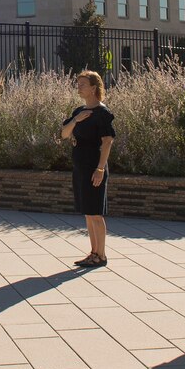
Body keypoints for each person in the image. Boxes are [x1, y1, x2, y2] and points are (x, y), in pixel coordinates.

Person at [61, 70, 115, 268]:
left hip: (94, 167)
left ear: (94, 87)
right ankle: (93, 253)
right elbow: (65, 134)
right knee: (88, 212)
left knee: (95, 213)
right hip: (80, 167)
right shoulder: (79, 112)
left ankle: (101, 255)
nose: (79, 87)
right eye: (78, 84)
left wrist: (100, 169)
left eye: (82, 84)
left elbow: (108, 142)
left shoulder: (103, 113)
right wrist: (76, 120)